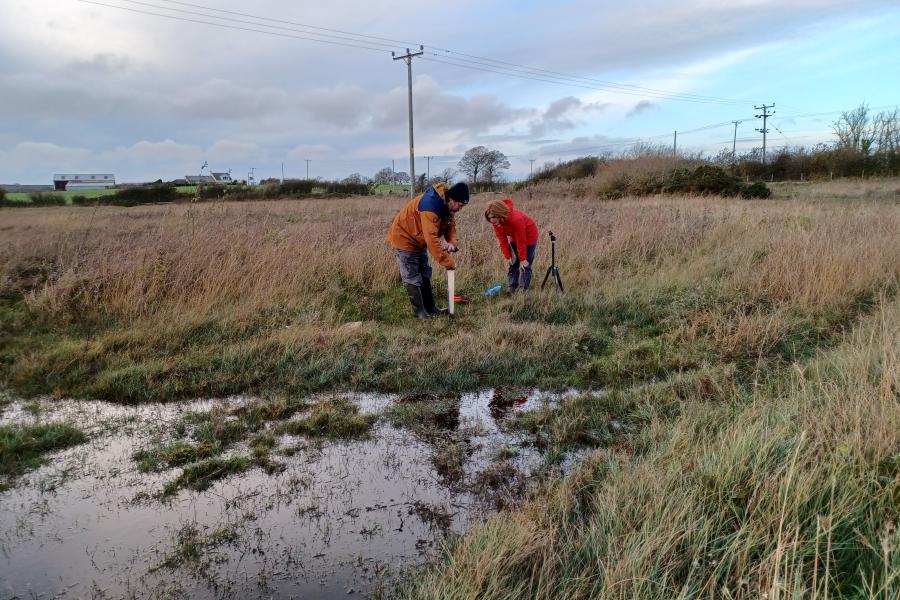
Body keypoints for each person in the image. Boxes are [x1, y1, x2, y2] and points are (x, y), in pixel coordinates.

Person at [387, 182, 470, 319]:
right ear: (452, 200)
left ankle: (431, 307)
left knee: (425, 271)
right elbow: (431, 239)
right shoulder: (430, 206)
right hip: (404, 237)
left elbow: (450, 225)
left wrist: (452, 242)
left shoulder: (448, 206)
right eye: (460, 205)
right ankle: (420, 312)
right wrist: (448, 262)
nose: (460, 209)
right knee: (411, 275)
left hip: (419, 240)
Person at [484, 198, 539, 292]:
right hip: (514, 237)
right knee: (512, 263)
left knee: (525, 264)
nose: (491, 220)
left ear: (500, 214)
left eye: (493, 217)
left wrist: (522, 258)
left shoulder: (516, 219)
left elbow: (521, 240)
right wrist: (507, 255)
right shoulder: (495, 221)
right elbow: (502, 238)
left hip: (529, 237)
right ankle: (512, 287)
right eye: (489, 218)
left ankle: (523, 290)